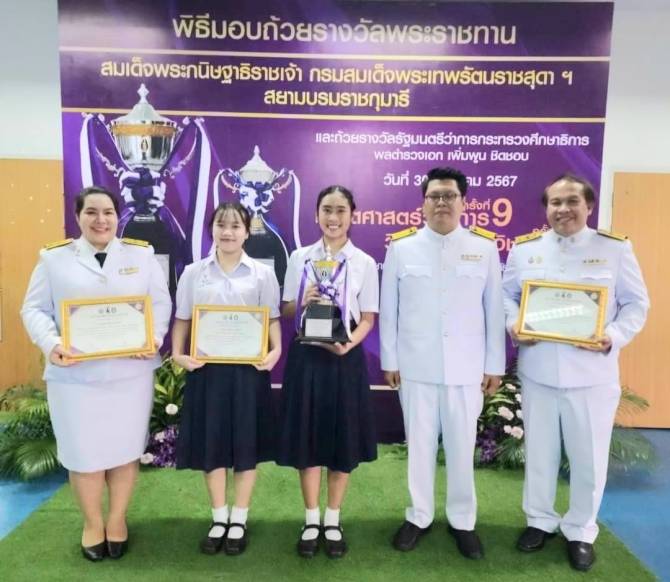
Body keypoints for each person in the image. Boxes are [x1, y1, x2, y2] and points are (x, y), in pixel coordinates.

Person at [502, 174, 649, 571]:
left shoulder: (614, 249)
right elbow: (506, 295)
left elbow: (637, 304)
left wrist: (613, 336)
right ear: (546, 208)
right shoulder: (526, 250)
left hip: (592, 376)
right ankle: (539, 521)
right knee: (540, 453)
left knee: (588, 459)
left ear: (589, 206)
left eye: (572, 202)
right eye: (555, 203)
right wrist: (513, 323)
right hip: (539, 372)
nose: (563, 209)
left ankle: (581, 530)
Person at [21, 185, 172, 561]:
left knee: (124, 451)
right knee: (83, 453)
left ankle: (117, 520)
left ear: (117, 216)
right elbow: (33, 309)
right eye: (91, 212)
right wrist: (51, 343)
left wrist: (152, 337)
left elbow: (160, 301)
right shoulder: (54, 259)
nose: (100, 220)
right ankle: (92, 523)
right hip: (75, 378)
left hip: (129, 375)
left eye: (107, 212)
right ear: (78, 216)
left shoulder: (141, 254)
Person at [380, 166, 505, 559]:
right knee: (418, 446)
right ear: (423, 202)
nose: (441, 203)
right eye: (434, 196)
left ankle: (462, 521)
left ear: (463, 202)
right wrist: (390, 359)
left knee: (462, 448)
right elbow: (389, 309)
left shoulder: (484, 248)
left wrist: (494, 366)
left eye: (449, 195)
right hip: (415, 367)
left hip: (467, 370)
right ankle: (419, 516)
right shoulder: (402, 247)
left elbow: (494, 310)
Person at [171, 201, 282, 557]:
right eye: (221, 224)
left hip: (249, 372)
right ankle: (219, 517)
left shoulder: (262, 274)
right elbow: (183, 318)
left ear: (247, 232)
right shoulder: (193, 273)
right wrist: (178, 353)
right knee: (213, 444)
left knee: (246, 446)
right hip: (207, 371)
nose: (228, 232)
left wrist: (276, 350)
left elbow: (272, 319)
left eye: (235, 226)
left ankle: (239, 518)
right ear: (212, 230)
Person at [277, 185, 379, 559]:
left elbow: (368, 318)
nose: (333, 218)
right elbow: (286, 310)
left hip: (343, 356)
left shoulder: (364, 262)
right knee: (307, 438)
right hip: (306, 355)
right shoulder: (299, 257)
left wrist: (348, 345)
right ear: (316, 214)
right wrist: (301, 300)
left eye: (340, 210)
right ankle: (310, 519)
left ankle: (333, 519)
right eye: (326, 210)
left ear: (352, 215)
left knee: (342, 439)